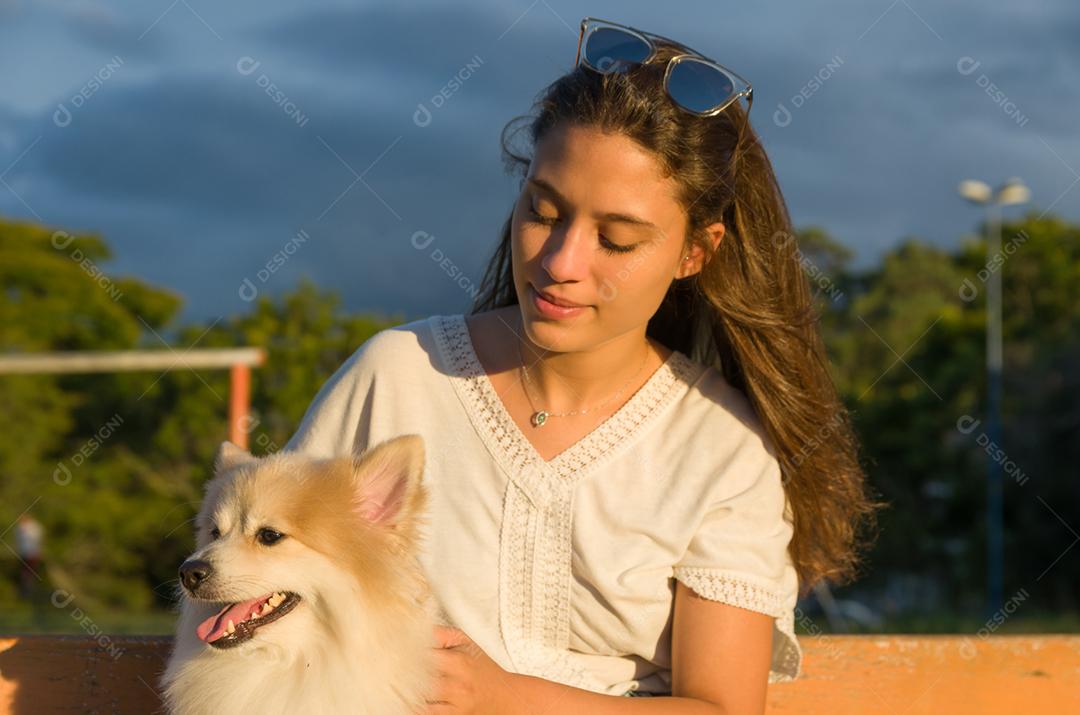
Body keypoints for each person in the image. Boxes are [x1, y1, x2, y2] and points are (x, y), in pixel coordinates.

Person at [285, 16, 882, 715]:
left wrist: (502, 698)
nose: (561, 262)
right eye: (544, 212)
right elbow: (260, 596)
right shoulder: (394, 379)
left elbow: (721, 708)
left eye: (617, 240)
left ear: (696, 252)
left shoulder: (723, 450)